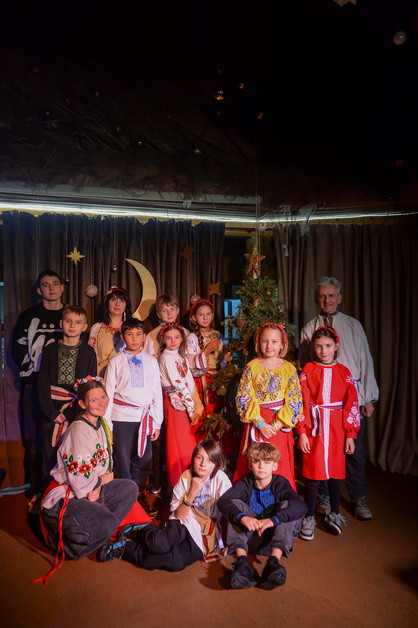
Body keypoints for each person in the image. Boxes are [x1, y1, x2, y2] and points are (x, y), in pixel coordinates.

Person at [299, 276, 379, 520]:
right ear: (317, 299)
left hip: (349, 401)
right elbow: (306, 366)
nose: (327, 300)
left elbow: (365, 360)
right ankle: (324, 495)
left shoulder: (353, 325)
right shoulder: (308, 329)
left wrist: (368, 397)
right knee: (320, 451)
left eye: (331, 295)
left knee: (353, 452)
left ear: (339, 298)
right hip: (321, 407)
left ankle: (358, 496)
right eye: (322, 296)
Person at [39, 378, 139, 565]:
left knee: (130, 488)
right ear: (83, 404)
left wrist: (99, 486)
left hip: (91, 488)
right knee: (105, 522)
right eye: (94, 400)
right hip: (67, 495)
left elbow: (102, 466)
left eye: (103, 397)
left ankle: (98, 529)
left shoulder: (100, 424)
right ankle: (72, 546)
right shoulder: (78, 430)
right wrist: (99, 482)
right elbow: (79, 478)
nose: (101, 403)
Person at [97, 439, 232, 571]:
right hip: (185, 520)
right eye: (199, 458)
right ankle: (142, 530)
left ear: (216, 463)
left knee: (175, 562)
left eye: (209, 460)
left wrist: (231, 543)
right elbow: (179, 515)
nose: (203, 464)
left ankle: (126, 548)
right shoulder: (186, 476)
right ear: (193, 458)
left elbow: (231, 512)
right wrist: (191, 493)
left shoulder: (221, 479)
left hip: (206, 532)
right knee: (159, 544)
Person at [297, 327, 360, 540]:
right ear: (313, 348)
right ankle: (308, 517)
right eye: (319, 346)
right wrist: (302, 432)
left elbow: (351, 403)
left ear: (336, 346)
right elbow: (302, 401)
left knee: (335, 471)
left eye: (328, 346)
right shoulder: (309, 369)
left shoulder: (344, 372)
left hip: (336, 429)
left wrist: (350, 434)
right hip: (314, 428)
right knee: (312, 473)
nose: (323, 351)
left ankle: (334, 513)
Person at [218, 442, 307, 590]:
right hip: (250, 539)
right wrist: (243, 517)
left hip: (272, 540)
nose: (261, 466)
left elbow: (301, 506)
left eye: (267, 462)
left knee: (289, 507)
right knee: (234, 505)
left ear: (274, 466)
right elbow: (223, 502)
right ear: (250, 465)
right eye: (256, 461)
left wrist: (273, 520)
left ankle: (273, 562)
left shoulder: (280, 483)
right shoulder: (246, 482)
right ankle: (242, 562)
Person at [12, 270, 65, 508]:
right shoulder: (28, 316)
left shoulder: (70, 315)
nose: (51, 288)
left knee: (62, 441)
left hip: (63, 392)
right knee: (34, 441)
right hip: (34, 387)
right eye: (45, 285)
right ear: (38, 290)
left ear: (62, 287)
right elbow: (18, 350)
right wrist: (36, 376)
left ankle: (60, 489)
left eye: (55, 284)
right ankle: (36, 490)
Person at [104, 317, 163, 517]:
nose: (134, 338)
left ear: (144, 336)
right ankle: (125, 500)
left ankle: (137, 495)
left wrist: (157, 422)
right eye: (130, 334)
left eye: (138, 334)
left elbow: (156, 392)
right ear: (122, 337)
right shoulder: (116, 361)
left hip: (144, 418)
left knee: (144, 458)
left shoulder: (151, 361)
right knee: (121, 458)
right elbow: (108, 392)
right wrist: (107, 423)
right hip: (121, 417)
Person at [234, 323, 303, 490]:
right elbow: (244, 396)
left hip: (279, 424)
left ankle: (280, 496)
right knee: (255, 461)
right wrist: (259, 423)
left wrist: (277, 424)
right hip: (258, 421)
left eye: (274, 341)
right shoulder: (252, 367)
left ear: (282, 344)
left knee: (278, 462)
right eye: (265, 341)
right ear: (258, 343)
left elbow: (294, 399)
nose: (269, 346)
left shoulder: (289, 369)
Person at [37, 305, 97, 488]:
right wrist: (52, 412)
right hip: (52, 409)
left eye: (77, 322)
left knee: (75, 452)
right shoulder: (50, 350)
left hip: (76, 410)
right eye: (68, 321)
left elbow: (89, 387)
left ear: (84, 327)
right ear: (61, 323)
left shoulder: (88, 352)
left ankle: (72, 492)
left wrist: (71, 413)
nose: (72, 325)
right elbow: (42, 383)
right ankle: (48, 493)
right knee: (49, 453)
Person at [143, 293, 189, 494]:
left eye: (172, 309)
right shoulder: (151, 336)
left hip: (182, 393)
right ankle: (158, 479)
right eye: (164, 310)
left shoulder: (185, 333)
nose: (169, 313)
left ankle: (182, 476)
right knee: (159, 435)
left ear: (177, 311)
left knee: (179, 436)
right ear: (158, 313)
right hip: (160, 390)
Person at [158, 322, 204, 487]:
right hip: (174, 402)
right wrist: (192, 410)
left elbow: (189, 383)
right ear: (163, 339)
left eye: (177, 337)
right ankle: (178, 480)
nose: (173, 341)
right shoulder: (165, 357)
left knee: (188, 440)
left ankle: (192, 477)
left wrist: (197, 407)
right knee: (177, 440)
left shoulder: (181, 357)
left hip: (186, 401)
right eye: (169, 338)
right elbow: (178, 384)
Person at [88, 286, 132, 377]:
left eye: (122, 301)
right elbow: (91, 357)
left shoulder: (131, 328)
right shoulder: (97, 328)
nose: (117, 304)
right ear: (107, 303)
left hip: (126, 377)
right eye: (113, 299)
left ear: (126, 306)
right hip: (101, 376)